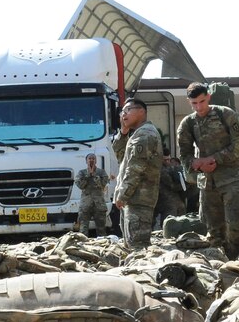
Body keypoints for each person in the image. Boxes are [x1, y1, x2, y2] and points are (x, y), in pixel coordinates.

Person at [177, 82, 239, 259]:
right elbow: (184, 154)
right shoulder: (188, 123)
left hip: (232, 178)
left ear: (208, 96)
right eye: (194, 103)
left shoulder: (226, 115)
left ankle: (238, 264)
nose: (199, 107)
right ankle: (217, 266)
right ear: (189, 102)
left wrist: (213, 159)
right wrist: (196, 164)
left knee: (236, 226)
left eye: (202, 101)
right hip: (207, 182)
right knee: (214, 230)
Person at [112, 98, 162, 249]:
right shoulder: (136, 134)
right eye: (122, 112)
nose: (123, 115)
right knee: (130, 246)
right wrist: (123, 131)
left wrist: (123, 195)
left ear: (141, 112)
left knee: (138, 248)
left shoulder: (145, 135)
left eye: (128, 110)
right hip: (132, 199)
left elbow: (135, 169)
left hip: (139, 199)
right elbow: (119, 154)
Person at [74, 153, 110, 236]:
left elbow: (102, 185)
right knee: (83, 229)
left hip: (99, 204)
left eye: (93, 158)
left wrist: (94, 175)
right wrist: (87, 176)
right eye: (89, 158)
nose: (91, 160)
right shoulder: (81, 173)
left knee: (101, 230)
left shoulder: (101, 172)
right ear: (86, 161)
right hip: (85, 204)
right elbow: (80, 185)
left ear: (96, 161)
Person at [154, 153, 187, 229]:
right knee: (168, 225)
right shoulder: (161, 170)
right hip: (165, 201)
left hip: (174, 200)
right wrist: (184, 186)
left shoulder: (170, 168)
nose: (168, 162)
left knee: (180, 221)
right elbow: (172, 186)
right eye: (165, 160)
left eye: (169, 159)